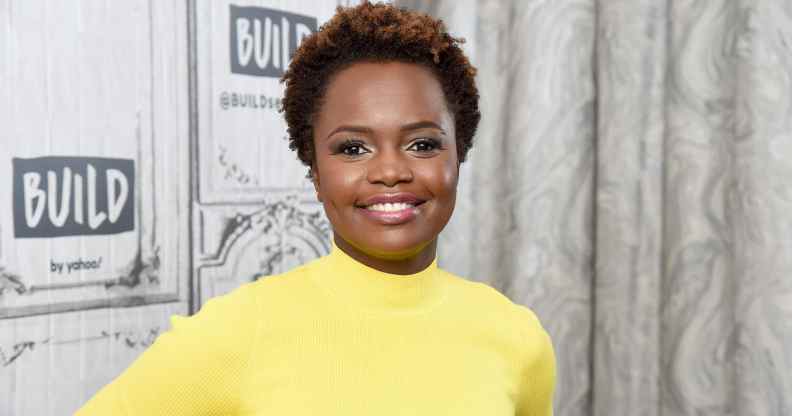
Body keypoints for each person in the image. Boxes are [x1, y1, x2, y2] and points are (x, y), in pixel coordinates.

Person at [75, 2, 556, 415]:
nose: (390, 171)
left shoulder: (517, 338)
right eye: (352, 149)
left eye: (422, 144)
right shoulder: (237, 334)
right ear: (315, 171)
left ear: (458, 155)